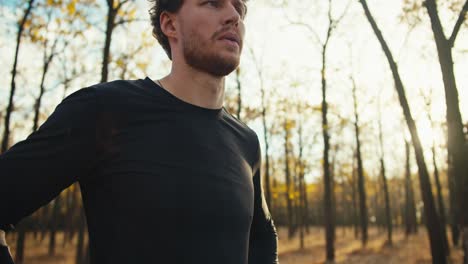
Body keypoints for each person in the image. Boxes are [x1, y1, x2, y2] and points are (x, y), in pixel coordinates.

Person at [0, 0, 279, 263]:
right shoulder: (104, 109)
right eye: (213, 2)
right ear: (170, 25)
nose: (234, 16)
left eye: (240, 8)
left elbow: (263, 240)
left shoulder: (246, 141)